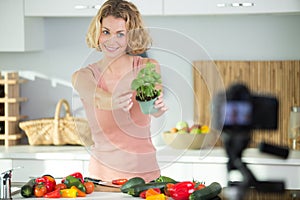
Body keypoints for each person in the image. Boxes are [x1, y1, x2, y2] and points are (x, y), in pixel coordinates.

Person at [72, 0, 168, 182]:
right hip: (102, 180)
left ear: (131, 37)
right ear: (97, 33)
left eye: (120, 34)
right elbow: (98, 98)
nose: (111, 41)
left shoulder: (148, 67)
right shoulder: (83, 76)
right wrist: (114, 99)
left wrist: (158, 108)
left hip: (146, 178)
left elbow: (153, 108)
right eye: (106, 32)